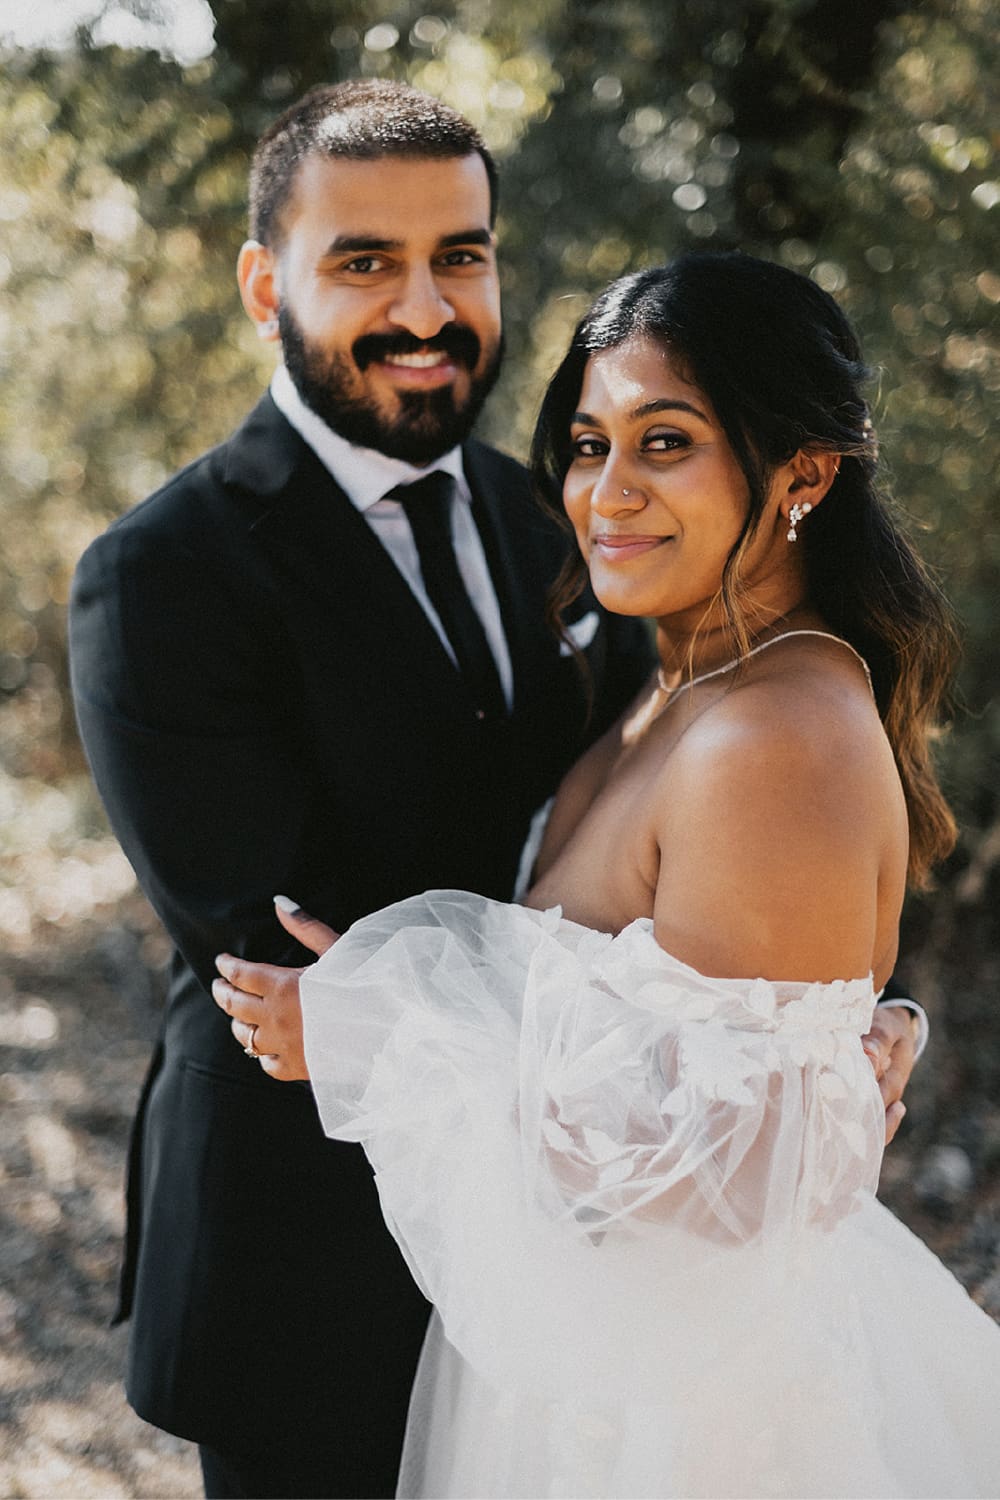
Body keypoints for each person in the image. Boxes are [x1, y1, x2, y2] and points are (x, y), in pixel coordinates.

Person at [212, 253, 1000, 1499]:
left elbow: (723, 1191)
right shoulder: (683, 685)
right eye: (589, 445)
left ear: (804, 473)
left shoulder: (773, 734)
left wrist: (383, 1030)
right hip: (610, 1363)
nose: (607, 493)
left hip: (699, 1411)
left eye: (665, 442)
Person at [68, 80, 655, 1500]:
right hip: (307, 1264)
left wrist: (809, 1013)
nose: (426, 308)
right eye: (366, 262)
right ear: (266, 285)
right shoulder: (162, 574)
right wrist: (667, 1019)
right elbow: (292, 953)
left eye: (460, 255)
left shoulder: (559, 516)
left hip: (573, 1245)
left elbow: (673, 784)